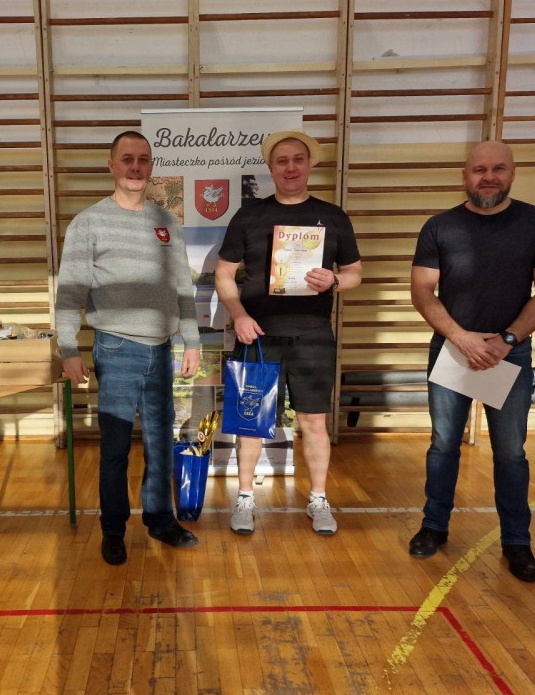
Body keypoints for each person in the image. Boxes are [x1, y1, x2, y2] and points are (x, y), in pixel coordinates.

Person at [409, 140, 535, 582]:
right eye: (479, 169)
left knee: (510, 451)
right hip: (453, 348)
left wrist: (507, 340)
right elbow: (422, 291)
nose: (489, 177)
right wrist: (461, 338)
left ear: (513, 172)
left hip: (509, 352)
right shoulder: (440, 226)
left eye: (498, 168)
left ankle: (517, 540)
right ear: (465, 175)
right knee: (443, 445)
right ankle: (434, 527)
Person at [55, 130, 202, 566]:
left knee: (160, 443)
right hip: (116, 349)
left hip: (161, 350)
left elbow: (182, 287)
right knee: (115, 448)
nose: (135, 167)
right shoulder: (88, 222)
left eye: (143, 159)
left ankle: (160, 520)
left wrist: (191, 341)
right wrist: (68, 349)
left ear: (150, 166)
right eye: (127, 159)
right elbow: (70, 293)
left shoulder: (166, 221)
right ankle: (113, 530)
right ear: (111, 165)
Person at [215, 130, 362, 535]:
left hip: (313, 335)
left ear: (309, 164)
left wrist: (334, 281)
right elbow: (224, 274)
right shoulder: (249, 216)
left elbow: (354, 273)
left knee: (313, 421)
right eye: (282, 161)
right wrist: (238, 315)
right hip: (257, 336)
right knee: (251, 422)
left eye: (298, 159)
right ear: (271, 167)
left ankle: (318, 498)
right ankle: (245, 498)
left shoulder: (333, 216)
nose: (291, 167)